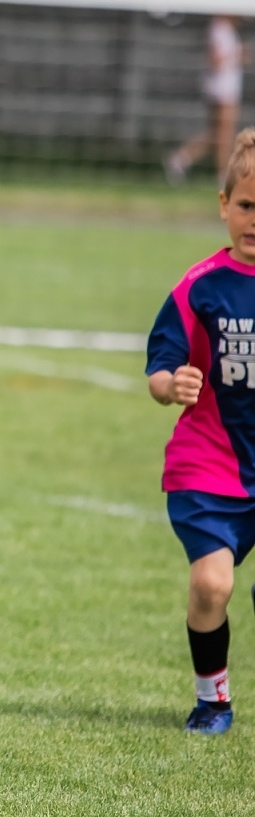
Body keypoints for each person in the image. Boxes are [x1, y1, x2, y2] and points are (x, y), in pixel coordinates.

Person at [144, 126, 255, 734]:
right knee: (212, 583)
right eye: (246, 205)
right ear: (223, 204)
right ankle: (213, 702)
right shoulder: (200, 288)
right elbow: (159, 369)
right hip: (209, 464)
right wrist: (172, 386)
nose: (254, 220)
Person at [167, 15, 246, 184]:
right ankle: (222, 175)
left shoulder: (227, 29)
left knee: (219, 134)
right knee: (223, 135)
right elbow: (216, 60)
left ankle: (181, 159)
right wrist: (237, 54)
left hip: (227, 89)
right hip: (221, 89)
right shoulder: (218, 28)